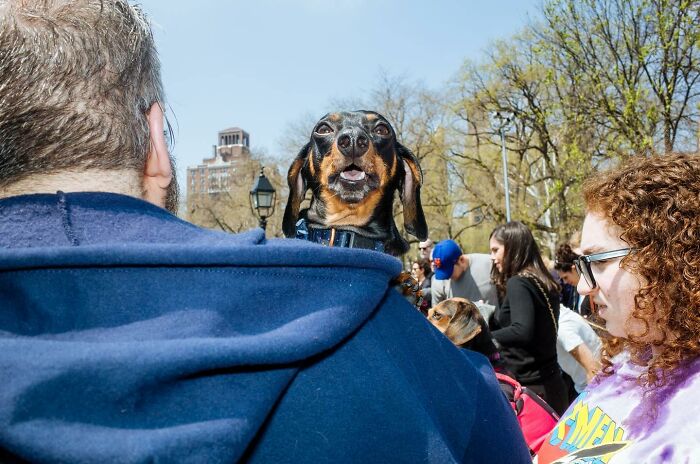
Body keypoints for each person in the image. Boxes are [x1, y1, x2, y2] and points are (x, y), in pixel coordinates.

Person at [0, 1, 530, 463]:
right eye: (330, 135)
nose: (351, 140)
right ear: (156, 147)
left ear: (402, 174)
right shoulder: (456, 387)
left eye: (376, 135)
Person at [537, 153, 700, 463]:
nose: (584, 287)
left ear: (669, 258)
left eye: (599, 261)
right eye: (583, 265)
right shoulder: (633, 359)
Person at [489, 222, 569, 415]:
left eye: (495, 250)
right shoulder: (541, 280)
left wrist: (487, 337)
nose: (492, 258)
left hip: (534, 393)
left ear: (513, 247)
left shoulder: (519, 282)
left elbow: (522, 330)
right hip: (552, 385)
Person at [431, 240, 498, 322]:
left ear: (461, 260)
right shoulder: (439, 282)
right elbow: (436, 317)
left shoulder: (490, 264)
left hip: (494, 328)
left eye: (449, 272)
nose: (446, 278)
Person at [556, 305, 602, 403]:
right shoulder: (565, 314)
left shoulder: (562, 329)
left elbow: (593, 368)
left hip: (591, 390)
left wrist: (591, 400)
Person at [554, 244, 591, 316]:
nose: (565, 282)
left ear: (574, 269)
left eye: (565, 277)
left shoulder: (593, 287)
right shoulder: (575, 290)